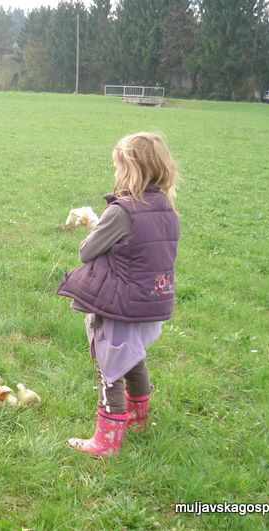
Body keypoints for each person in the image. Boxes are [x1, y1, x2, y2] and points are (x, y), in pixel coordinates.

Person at [56, 132, 180, 457]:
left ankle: (106, 439)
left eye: (118, 166)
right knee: (133, 354)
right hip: (152, 299)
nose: (116, 173)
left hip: (119, 301)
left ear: (130, 170)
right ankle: (139, 417)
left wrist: (97, 225)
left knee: (109, 365)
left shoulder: (123, 210)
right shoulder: (165, 205)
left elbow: (87, 251)